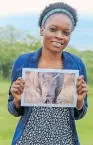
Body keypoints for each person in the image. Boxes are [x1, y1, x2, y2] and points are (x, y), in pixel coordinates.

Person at [8, 2, 88, 145]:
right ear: (41, 30)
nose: (59, 36)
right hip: (28, 140)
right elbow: (14, 110)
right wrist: (17, 100)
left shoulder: (77, 64)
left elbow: (79, 114)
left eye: (66, 32)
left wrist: (80, 102)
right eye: (53, 29)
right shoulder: (23, 62)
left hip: (65, 140)